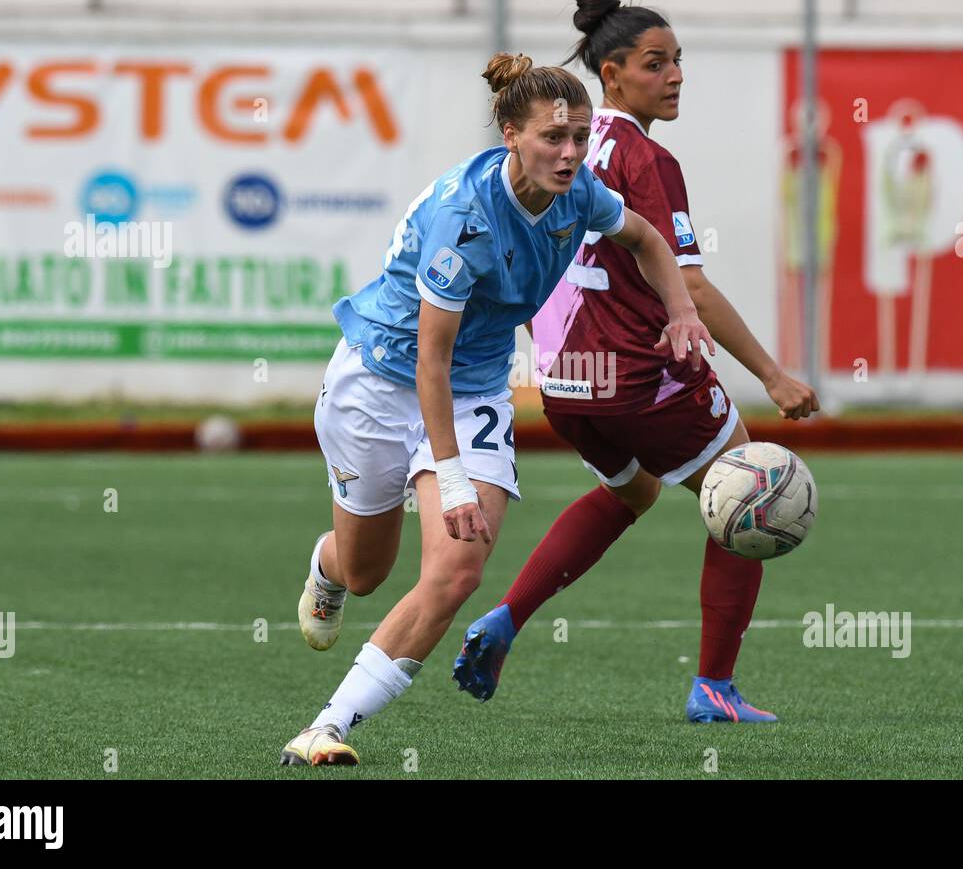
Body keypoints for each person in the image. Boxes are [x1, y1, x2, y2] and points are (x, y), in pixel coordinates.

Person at [280, 51, 715, 766]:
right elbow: (430, 362)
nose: (571, 152)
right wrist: (449, 480)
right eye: (553, 137)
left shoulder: (579, 192)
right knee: (365, 572)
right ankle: (326, 571)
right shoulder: (465, 221)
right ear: (510, 134)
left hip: (476, 386)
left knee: (456, 572)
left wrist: (680, 313)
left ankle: (327, 727)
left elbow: (645, 239)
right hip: (383, 383)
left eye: (579, 136)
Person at [452, 0, 819, 723]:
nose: (675, 75)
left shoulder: (557, 149)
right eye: (655, 63)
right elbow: (694, 287)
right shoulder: (646, 159)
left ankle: (507, 617)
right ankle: (714, 686)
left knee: (634, 492)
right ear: (610, 72)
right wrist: (774, 375)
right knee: (751, 486)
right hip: (635, 372)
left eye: (678, 60)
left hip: (564, 383)